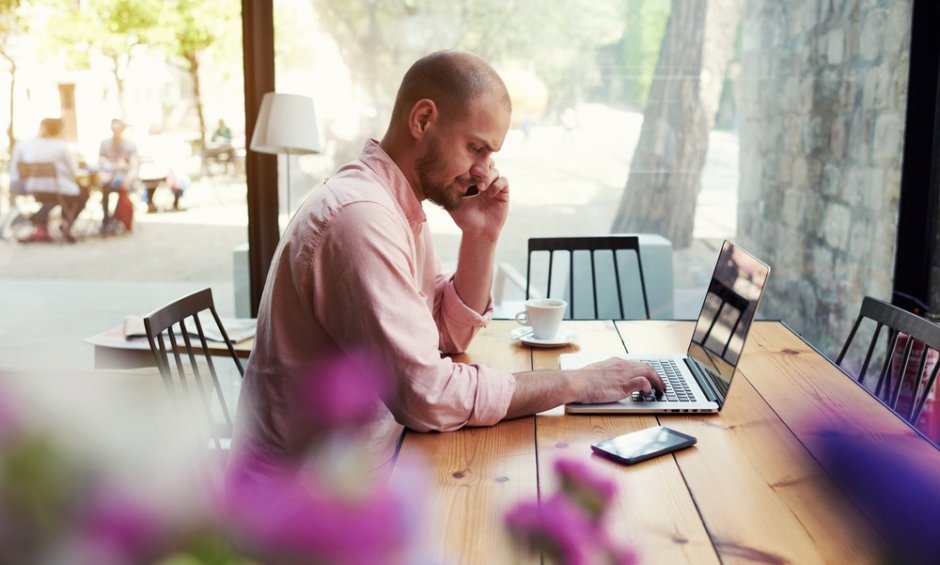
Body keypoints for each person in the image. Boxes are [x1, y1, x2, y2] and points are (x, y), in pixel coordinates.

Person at [232, 50, 663, 462]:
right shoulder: (361, 219)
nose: (484, 170)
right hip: (305, 511)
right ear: (422, 119)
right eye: (476, 148)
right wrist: (578, 382)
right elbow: (427, 395)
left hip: (372, 466)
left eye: (490, 155)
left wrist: (480, 237)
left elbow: (444, 333)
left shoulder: (395, 207)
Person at [8, 117, 86, 243]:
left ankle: (40, 224)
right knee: (82, 193)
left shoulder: (25, 144)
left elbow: (15, 167)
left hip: (32, 187)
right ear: (59, 131)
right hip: (57, 189)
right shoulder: (61, 147)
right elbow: (73, 171)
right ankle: (66, 223)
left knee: (54, 198)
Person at [98, 118, 139, 233]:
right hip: (108, 178)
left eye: (118, 128)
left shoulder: (130, 145)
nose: (115, 131)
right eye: (113, 128)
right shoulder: (105, 143)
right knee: (105, 187)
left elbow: (134, 167)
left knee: (119, 184)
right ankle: (106, 219)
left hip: (124, 180)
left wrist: (127, 179)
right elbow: (101, 162)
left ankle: (116, 219)